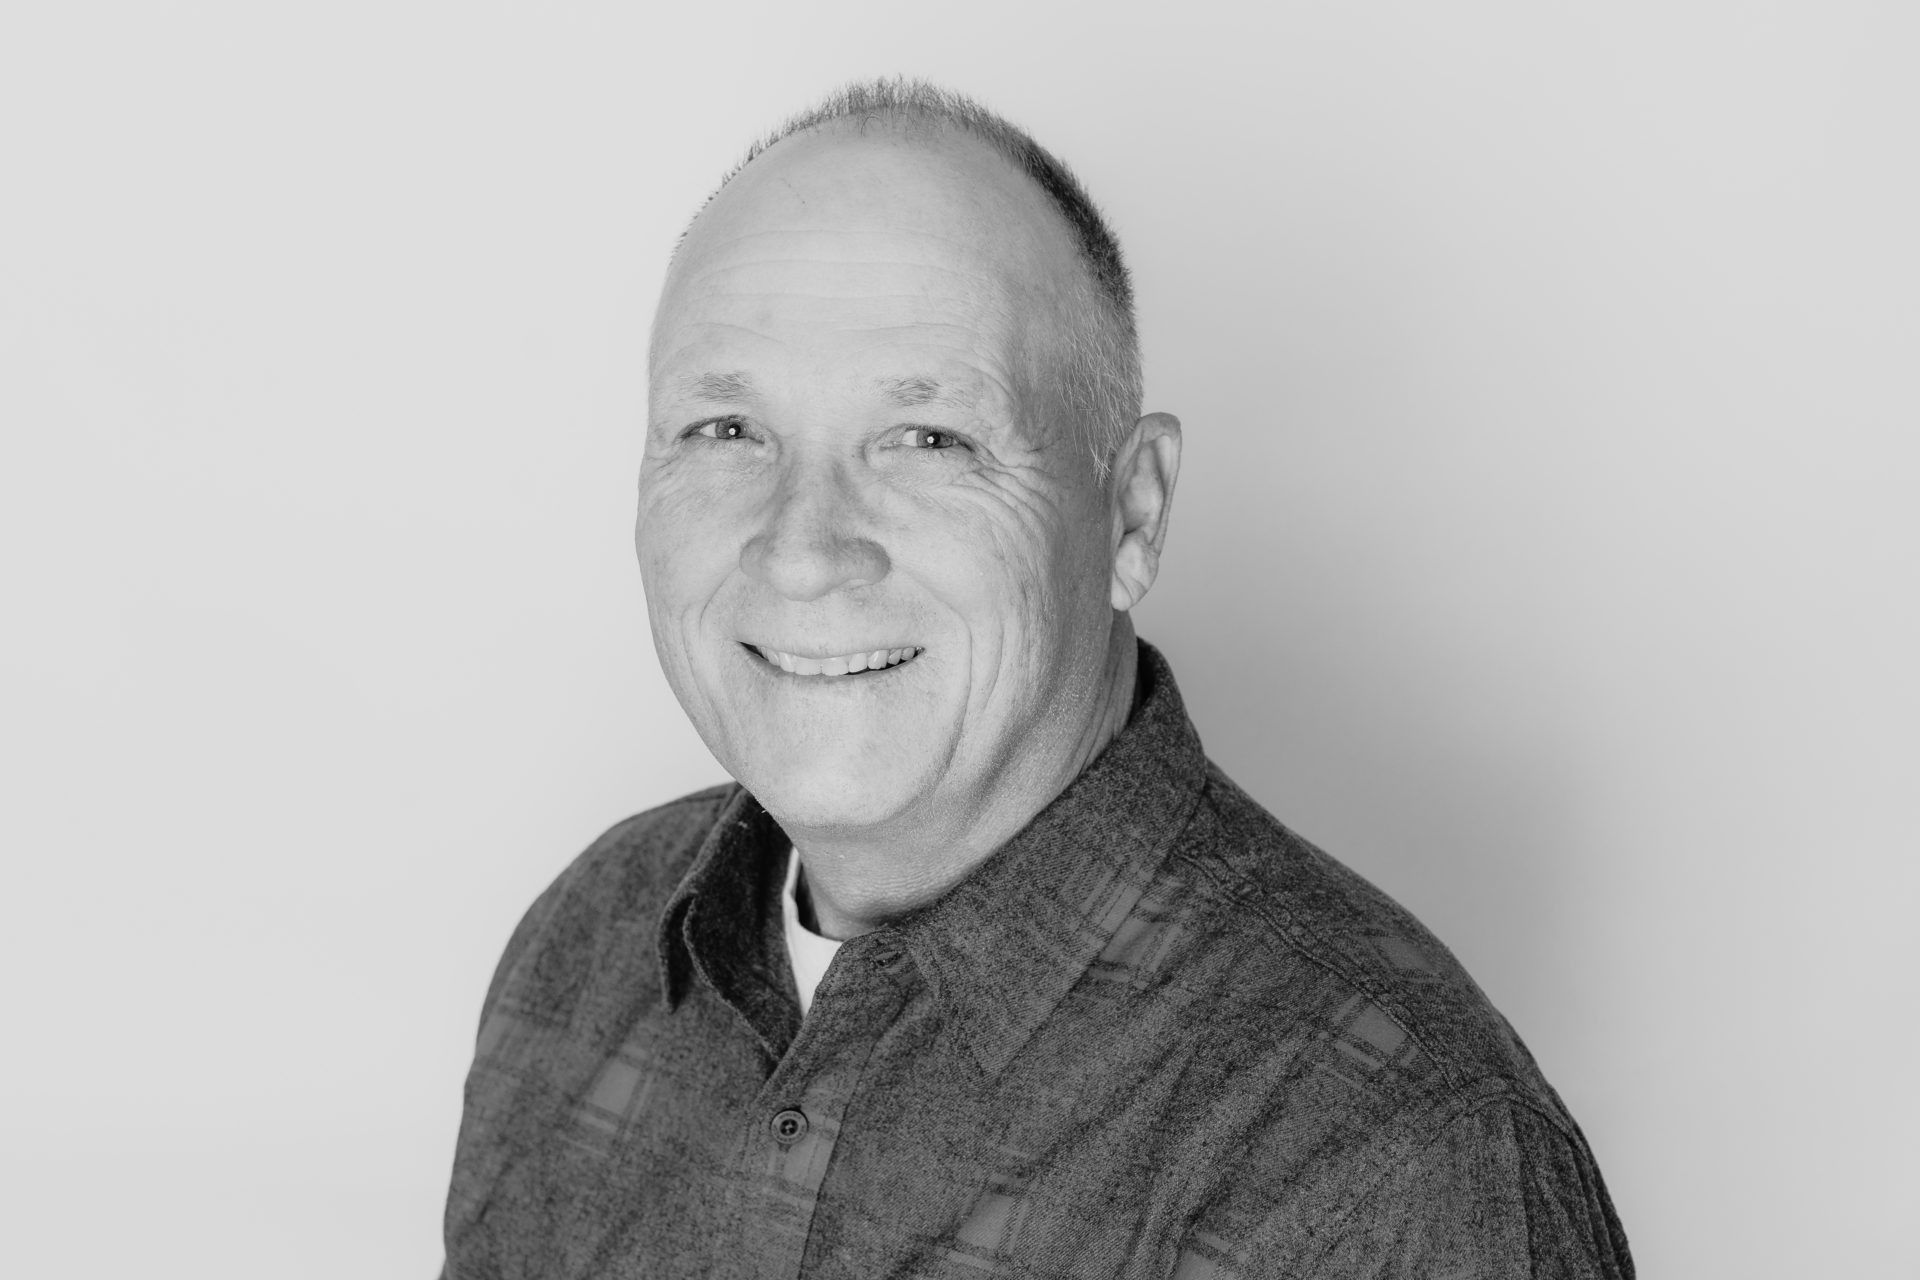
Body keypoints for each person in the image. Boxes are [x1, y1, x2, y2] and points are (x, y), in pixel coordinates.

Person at [441, 79, 1633, 1279]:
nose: (802, 551)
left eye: (930, 438)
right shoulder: (586, 949)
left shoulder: (1391, 1161)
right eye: (726, 431)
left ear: (1133, 511)